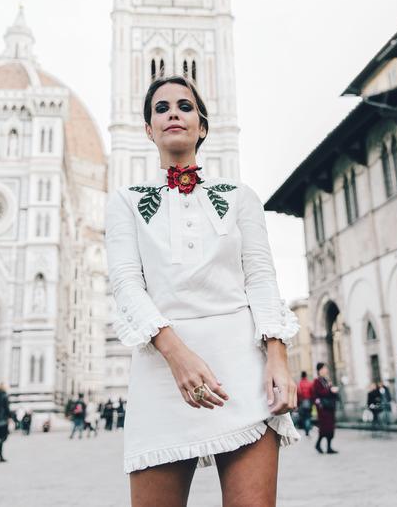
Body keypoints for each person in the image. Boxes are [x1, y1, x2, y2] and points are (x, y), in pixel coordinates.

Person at [105, 76, 300, 507]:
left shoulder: (240, 197)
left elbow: (262, 280)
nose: (173, 113)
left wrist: (278, 359)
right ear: (148, 130)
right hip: (162, 371)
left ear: (203, 126)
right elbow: (126, 285)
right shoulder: (125, 201)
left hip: (243, 373)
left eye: (184, 106)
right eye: (161, 108)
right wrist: (177, 355)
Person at [312, 363, 339, 454]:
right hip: (323, 409)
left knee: (330, 428)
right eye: (324, 368)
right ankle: (319, 444)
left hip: (330, 408)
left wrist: (332, 390)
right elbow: (318, 393)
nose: (326, 370)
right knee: (325, 428)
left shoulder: (326, 380)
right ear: (320, 370)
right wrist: (330, 389)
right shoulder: (317, 381)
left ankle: (328, 447)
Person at [297, 372, 313, 437]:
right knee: (308, 417)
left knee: (304, 417)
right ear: (306, 376)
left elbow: (298, 393)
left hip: (302, 402)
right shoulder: (309, 383)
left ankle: (306, 429)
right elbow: (312, 392)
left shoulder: (299, 384)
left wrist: (298, 404)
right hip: (308, 402)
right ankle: (308, 429)